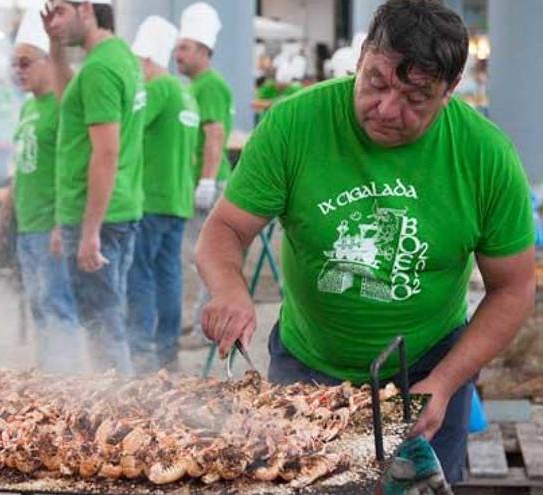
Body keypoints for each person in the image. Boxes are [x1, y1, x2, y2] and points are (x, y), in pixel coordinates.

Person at [196, 0, 535, 484]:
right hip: (307, 367)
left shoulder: (485, 155)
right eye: (376, 82)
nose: (387, 109)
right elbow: (225, 229)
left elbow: (513, 290)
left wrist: (442, 383)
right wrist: (229, 289)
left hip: (429, 367)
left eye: (416, 98)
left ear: (450, 90)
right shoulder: (294, 125)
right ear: (360, 59)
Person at [42, 0, 146, 374]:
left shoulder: (101, 68)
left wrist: (89, 231)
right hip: (117, 209)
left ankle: (117, 411)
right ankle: (118, 401)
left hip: (100, 215)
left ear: (85, 8)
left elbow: (106, 153)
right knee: (107, 319)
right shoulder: (119, 57)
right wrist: (54, 48)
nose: (53, 21)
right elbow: (67, 97)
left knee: (103, 327)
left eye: (60, 12)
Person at [0, 8, 81, 374]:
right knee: (39, 307)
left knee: (59, 306)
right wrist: (1, 217)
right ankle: (50, 375)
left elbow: (74, 169)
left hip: (51, 226)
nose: (19, 71)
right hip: (27, 227)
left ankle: (68, 379)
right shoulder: (28, 107)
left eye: (25, 63)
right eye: (15, 64)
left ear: (46, 61)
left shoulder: (61, 106)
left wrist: (63, 223)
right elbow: (21, 168)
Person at [126, 16, 199, 373]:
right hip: (178, 198)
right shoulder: (184, 91)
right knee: (168, 274)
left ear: (147, 61)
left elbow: (126, 130)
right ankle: (167, 350)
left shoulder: (157, 89)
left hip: (151, 198)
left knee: (139, 275)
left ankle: (140, 350)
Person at [173, 2, 235, 348]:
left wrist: (207, 180)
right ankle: (197, 323)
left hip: (207, 183)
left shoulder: (208, 85)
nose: (176, 54)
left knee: (204, 257)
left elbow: (213, 134)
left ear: (202, 50)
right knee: (195, 257)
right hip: (199, 182)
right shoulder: (195, 85)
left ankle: (203, 330)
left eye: (183, 48)